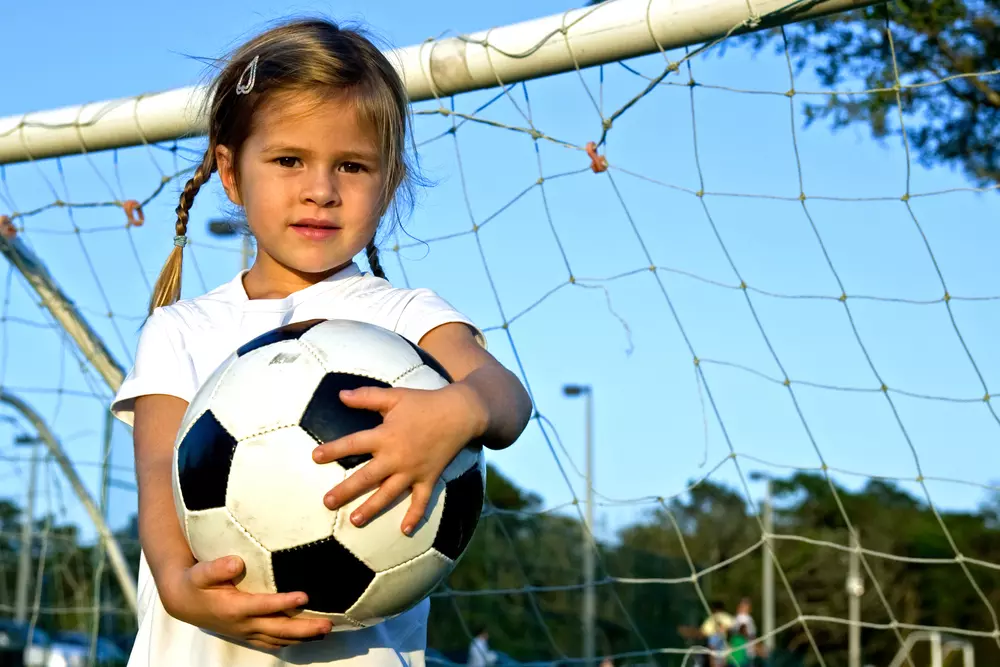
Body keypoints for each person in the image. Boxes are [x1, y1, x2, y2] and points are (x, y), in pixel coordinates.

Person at [110, 18, 532, 667]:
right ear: (230, 170)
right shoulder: (180, 329)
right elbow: (158, 478)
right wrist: (178, 584)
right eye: (288, 160)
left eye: (352, 166)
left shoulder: (406, 321)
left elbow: (507, 398)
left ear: (388, 182)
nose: (320, 190)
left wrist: (461, 409)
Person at [700, 601, 734, 667]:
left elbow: (704, 632)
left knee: (718, 661)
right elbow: (732, 627)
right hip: (719, 645)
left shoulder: (712, 618)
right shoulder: (725, 617)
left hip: (719, 645)